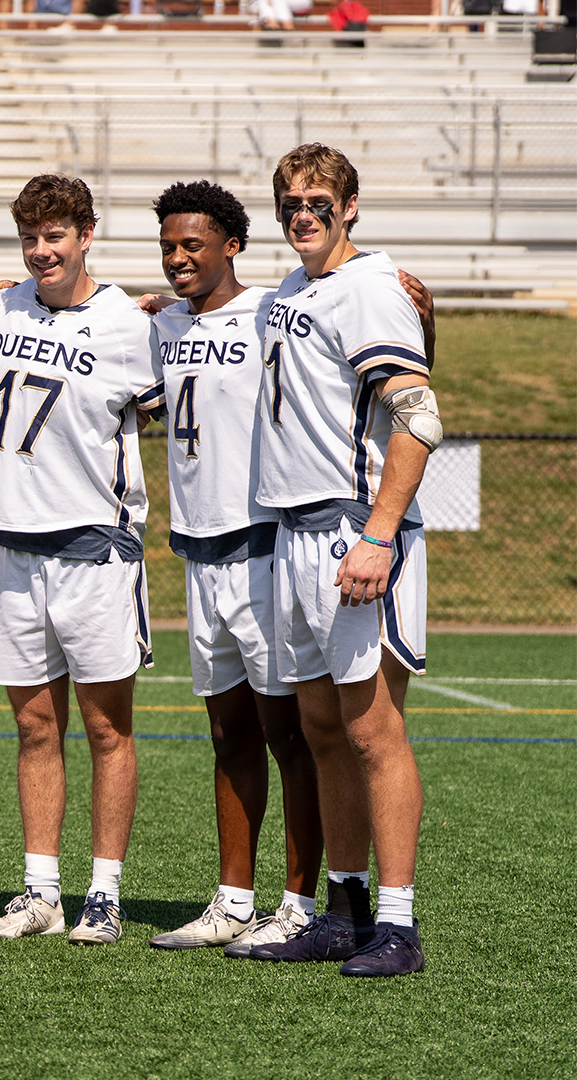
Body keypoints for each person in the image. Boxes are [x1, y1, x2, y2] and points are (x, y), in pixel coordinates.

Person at [248, 144, 436, 978]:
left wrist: (380, 534)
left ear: (352, 205)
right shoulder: (294, 287)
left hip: (353, 532)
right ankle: (346, 908)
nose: (303, 212)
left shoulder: (367, 287)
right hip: (294, 532)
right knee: (322, 728)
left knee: (371, 731)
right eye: (290, 200)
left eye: (319, 199)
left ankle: (397, 924)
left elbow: (419, 416)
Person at [0, 175, 161, 946]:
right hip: (9, 545)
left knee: (107, 728)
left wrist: (162, 309)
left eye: (56, 236)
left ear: (86, 234)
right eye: (31, 238)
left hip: (92, 548)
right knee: (33, 726)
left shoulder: (127, 323)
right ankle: (39, 889)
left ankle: (103, 894)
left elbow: (172, 398)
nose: (43, 251)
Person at [135, 181, 326, 955]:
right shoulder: (163, 325)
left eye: (193, 246)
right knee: (228, 733)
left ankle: (302, 902)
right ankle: (232, 900)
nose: (179, 259)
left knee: (291, 735)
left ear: (232, 247)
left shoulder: (271, 313)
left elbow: (339, 294)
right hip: (197, 551)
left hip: (262, 547)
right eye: (170, 247)